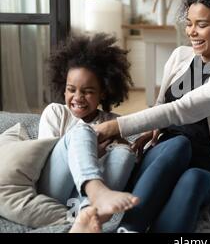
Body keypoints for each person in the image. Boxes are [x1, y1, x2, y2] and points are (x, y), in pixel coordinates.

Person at [94, 0, 210, 233]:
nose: (192, 31)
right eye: (189, 23)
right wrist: (147, 134)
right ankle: (129, 229)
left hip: (209, 171)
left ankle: (131, 228)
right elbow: (161, 106)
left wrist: (113, 126)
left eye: (202, 25)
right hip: (166, 155)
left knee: (191, 175)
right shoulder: (179, 57)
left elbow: (182, 109)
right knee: (178, 144)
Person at [37, 34, 140, 230]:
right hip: (53, 189)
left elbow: (128, 165)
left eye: (88, 91)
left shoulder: (111, 122)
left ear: (103, 92)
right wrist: (95, 152)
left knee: (124, 153)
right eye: (71, 89)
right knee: (83, 131)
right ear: (64, 89)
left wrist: (130, 147)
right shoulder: (56, 113)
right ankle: (96, 197)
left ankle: (88, 215)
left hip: (77, 201)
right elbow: (45, 160)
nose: (78, 97)